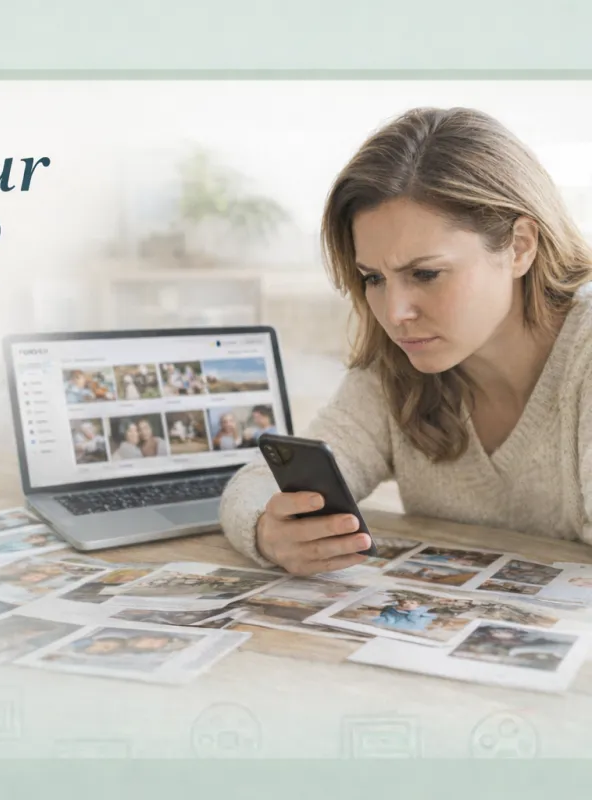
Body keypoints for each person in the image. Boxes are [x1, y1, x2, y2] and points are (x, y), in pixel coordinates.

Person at [219, 106, 592, 577]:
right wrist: (268, 532)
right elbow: (253, 486)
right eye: (373, 278)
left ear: (519, 246)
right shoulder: (399, 364)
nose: (395, 314)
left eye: (426, 273)